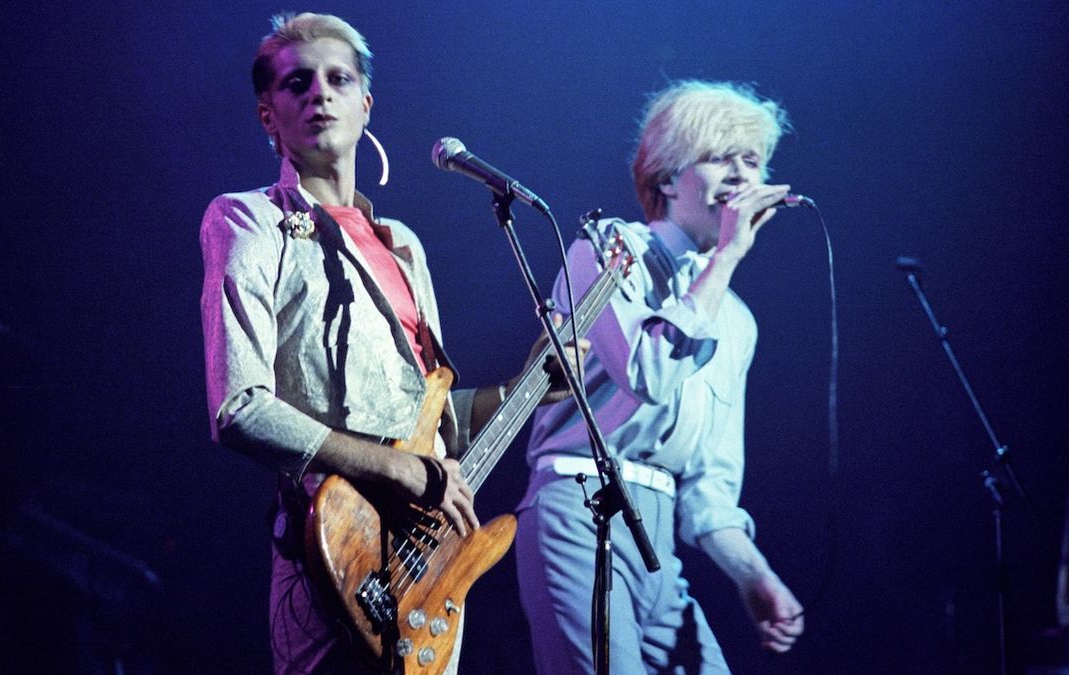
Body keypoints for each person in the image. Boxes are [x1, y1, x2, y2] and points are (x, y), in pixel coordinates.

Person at [199, 12, 579, 675]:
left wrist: (530, 388)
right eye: (297, 82)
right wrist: (395, 469)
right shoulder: (245, 220)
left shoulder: (403, 245)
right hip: (333, 552)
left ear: (365, 103)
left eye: (338, 79)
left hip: (426, 569)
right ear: (269, 114)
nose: (319, 92)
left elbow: (436, 426)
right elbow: (239, 407)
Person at [514, 80, 805, 674]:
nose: (741, 174)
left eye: (752, 160)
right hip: (578, 505)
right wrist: (725, 257)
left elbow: (708, 487)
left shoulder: (737, 321)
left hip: (660, 536)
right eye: (720, 155)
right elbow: (646, 373)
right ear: (668, 179)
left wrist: (756, 575)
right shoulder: (606, 248)